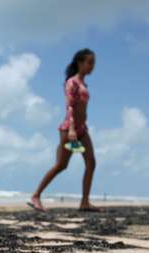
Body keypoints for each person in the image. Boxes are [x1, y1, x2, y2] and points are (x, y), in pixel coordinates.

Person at [29, 48, 102, 213]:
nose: (92, 66)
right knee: (61, 165)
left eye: (93, 63)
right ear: (80, 63)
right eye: (90, 63)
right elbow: (69, 106)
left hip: (82, 130)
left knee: (91, 163)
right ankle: (36, 196)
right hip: (70, 129)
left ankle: (85, 202)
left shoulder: (83, 84)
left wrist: (79, 127)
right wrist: (71, 129)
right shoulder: (72, 82)